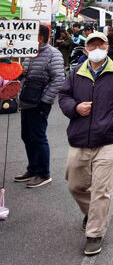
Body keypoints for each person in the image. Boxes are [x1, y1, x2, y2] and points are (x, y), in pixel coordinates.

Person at [58, 31, 113, 256]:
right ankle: (91, 212)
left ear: (107, 47)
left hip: (107, 140)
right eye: (92, 45)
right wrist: (75, 108)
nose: (96, 49)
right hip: (79, 139)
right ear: (85, 50)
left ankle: (94, 233)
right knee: (75, 185)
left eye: (100, 45)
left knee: (101, 190)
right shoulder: (76, 73)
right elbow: (63, 96)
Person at [15, 25, 65, 188]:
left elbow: (59, 79)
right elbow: (24, 75)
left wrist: (44, 101)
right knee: (27, 136)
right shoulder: (29, 52)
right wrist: (19, 74)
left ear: (41, 37)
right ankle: (33, 168)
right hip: (26, 101)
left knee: (38, 137)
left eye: (31, 34)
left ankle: (44, 173)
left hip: (39, 103)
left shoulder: (53, 54)